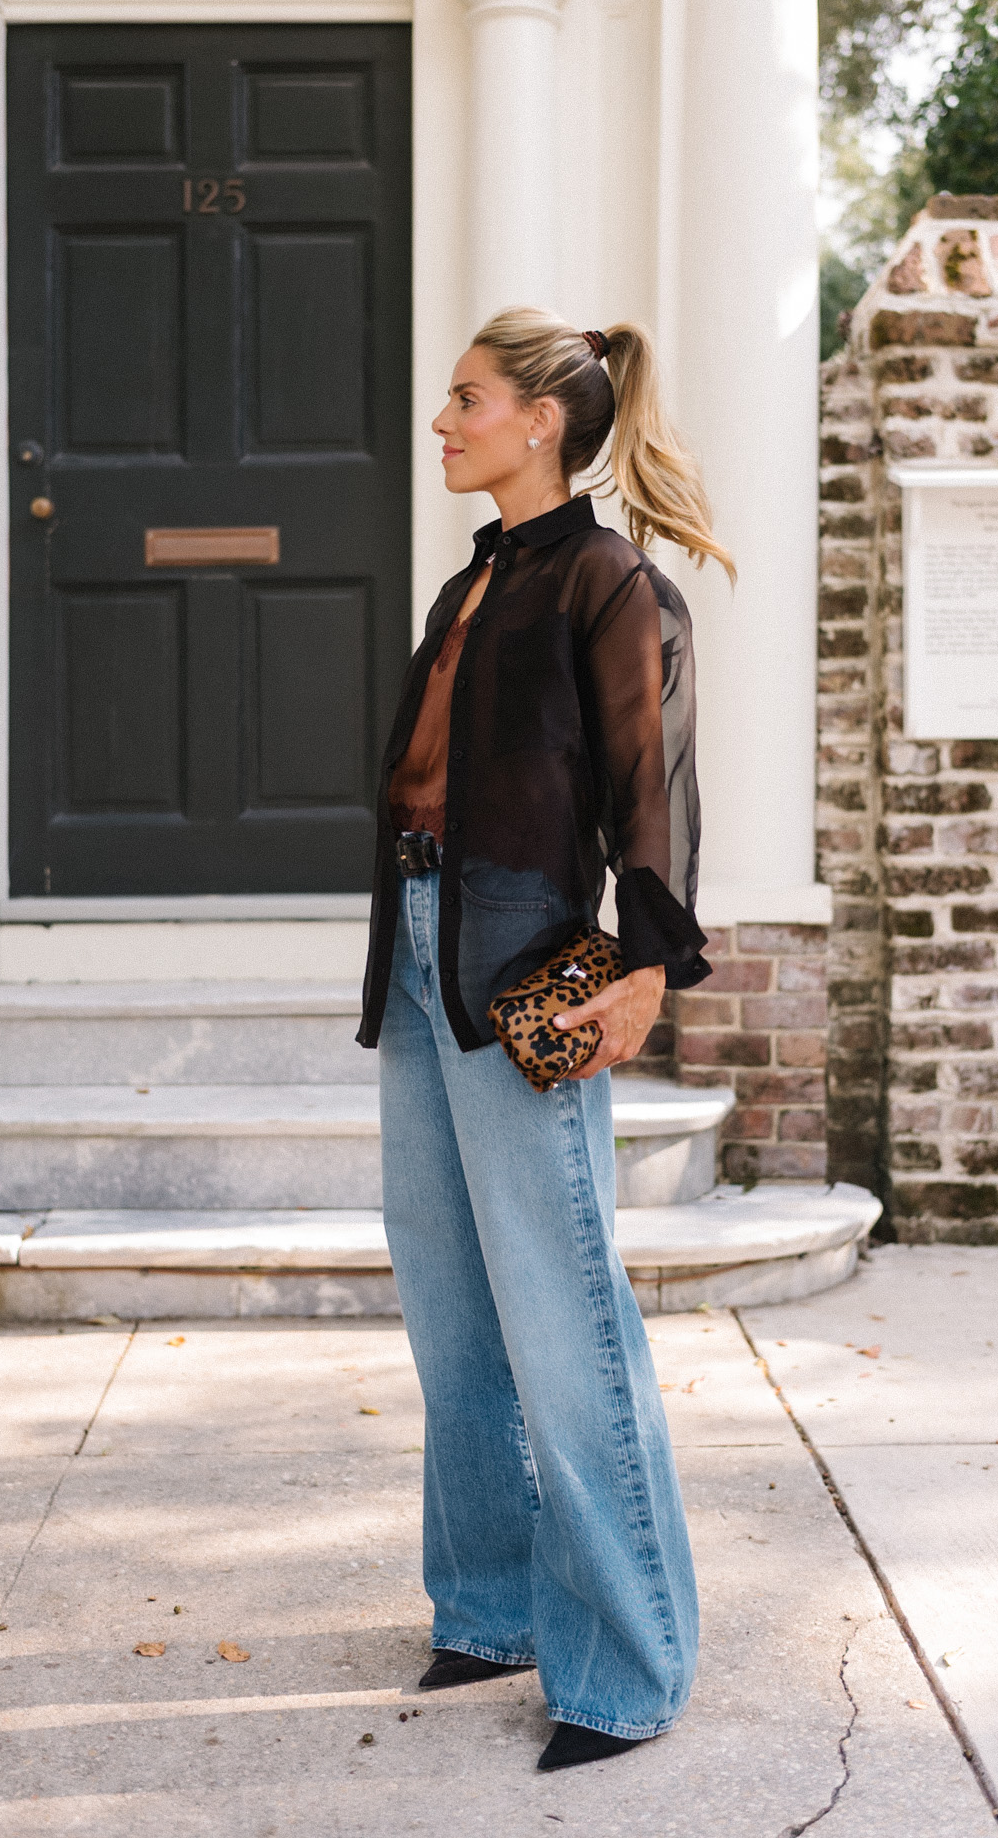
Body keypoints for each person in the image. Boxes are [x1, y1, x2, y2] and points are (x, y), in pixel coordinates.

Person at [358, 306, 733, 1772]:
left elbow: (654, 785)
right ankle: (494, 1604)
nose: (442, 423)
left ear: (542, 422)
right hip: (413, 946)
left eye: (465, 400)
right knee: (452, 1301)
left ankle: (626, 1667)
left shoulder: (608, 580)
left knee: (569, 1320)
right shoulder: (479, 577)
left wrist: (644, 965)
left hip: (524, 958)